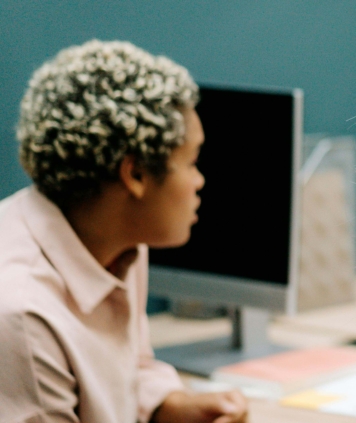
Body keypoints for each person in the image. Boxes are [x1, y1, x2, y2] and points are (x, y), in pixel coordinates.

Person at [0, 41, 248, 422]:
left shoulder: (113, 239)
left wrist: (169, 404)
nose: (200, 180)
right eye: (192, 161)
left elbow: (126, 366)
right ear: (135, 174)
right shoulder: (22, 316)